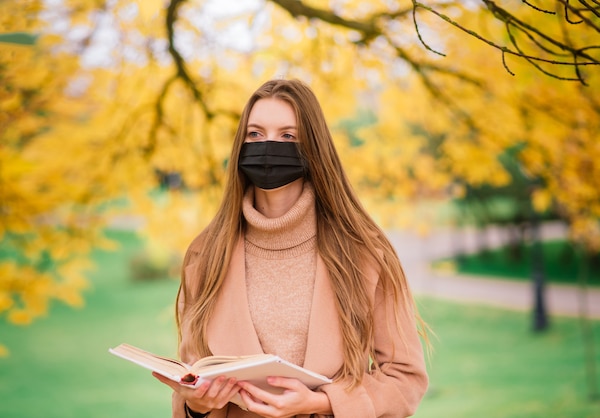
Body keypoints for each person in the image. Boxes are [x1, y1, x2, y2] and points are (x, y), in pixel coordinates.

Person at [153, 78, 429, 418]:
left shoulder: (364, 252)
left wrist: (323, 403)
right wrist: (197, 406)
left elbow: (404, 377)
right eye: (255, 134)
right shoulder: (205, 254)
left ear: (312, 147)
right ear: (240, 145)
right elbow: (195, 377)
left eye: (287, 135)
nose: (269, 146)